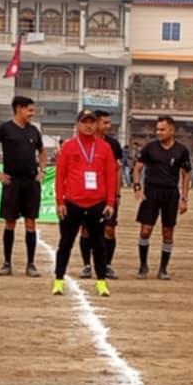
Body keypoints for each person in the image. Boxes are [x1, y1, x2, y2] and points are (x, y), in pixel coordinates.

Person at [52, 109, 116, 298]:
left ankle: (101, 281)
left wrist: (110, 202)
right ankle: (58, 280)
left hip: (97, 203)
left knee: (99, 244)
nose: (88, 125)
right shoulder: (68, 147)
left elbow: (111, 176)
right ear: (78, 124)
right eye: (84, 122)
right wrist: (60, 201)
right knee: (65, 243)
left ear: (96, 124)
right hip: (73, 203)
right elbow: (60, 175)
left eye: (92, 122)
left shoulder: (104, 148)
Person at [0, 94, 45, 277]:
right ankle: (7, 263)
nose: (32, 114)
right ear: (19, 109)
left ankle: (31, 264)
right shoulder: (4, 129)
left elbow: (42, 151)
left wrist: (42, 170)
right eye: (30, 110)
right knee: (10, 222)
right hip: (12, 183)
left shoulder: (34, 131)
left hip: (31, 183)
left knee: (30, 223)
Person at [133, 114, 191, 279]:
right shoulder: (149, 148)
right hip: (151, 192)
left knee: (167, 232)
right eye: (157, 129)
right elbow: (137, 167)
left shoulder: (181, 150)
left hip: (171, 194)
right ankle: (143, 266)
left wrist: (184, 198)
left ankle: (163, 269)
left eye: (162, 129)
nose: (158, 132)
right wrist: (137, 187)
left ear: (171, 130)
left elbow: (186, 174)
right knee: (145, 230)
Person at [84, 110, 124, 279]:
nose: (109, 126)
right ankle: (87, 265)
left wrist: (117, 193)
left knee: (109, 229)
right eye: (105, 123)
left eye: (109, 122)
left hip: (107, 195)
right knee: (86, 230)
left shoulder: (113, 144)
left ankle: (107, 265)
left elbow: (117, 169)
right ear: (96, 123)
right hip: (87, 194)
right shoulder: (84, 142)